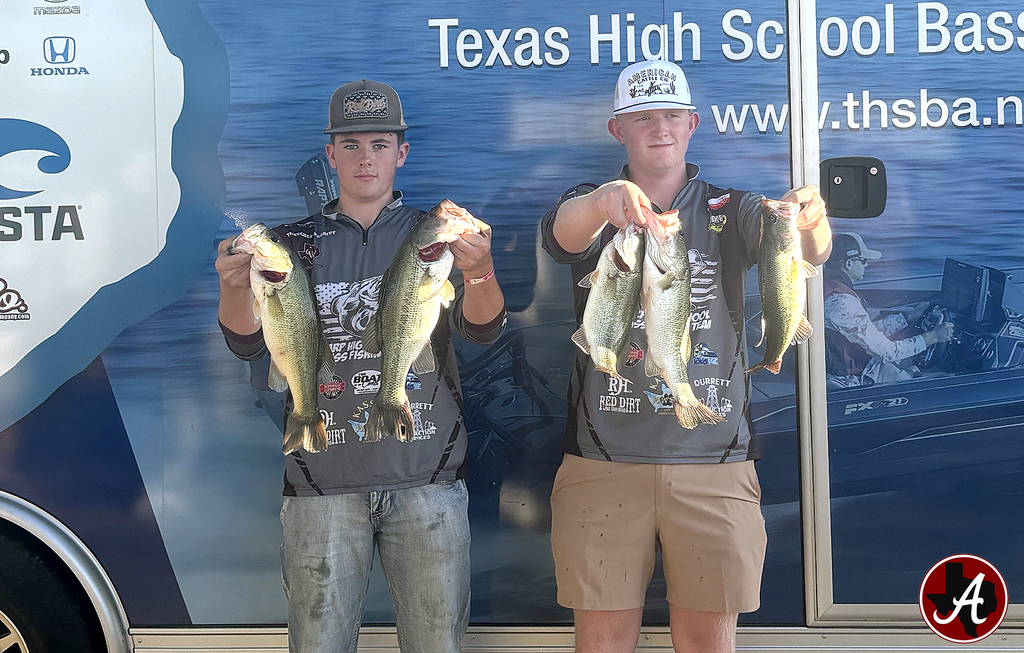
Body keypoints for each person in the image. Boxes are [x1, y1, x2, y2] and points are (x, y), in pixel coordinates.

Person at [539, 59, 832, 653]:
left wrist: (811, 222)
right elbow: (561, 234)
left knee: (708, 642)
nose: (659, 128)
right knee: (601, 641)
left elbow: (811, 253)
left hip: (715, 459)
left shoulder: (732, 208)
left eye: (671, 115)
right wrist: (604, 203)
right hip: (603, 461)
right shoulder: (594, 206)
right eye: (642, 117)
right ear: (618, 129)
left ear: (693, 123)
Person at [216, 79, 506, 653]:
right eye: (350, 145)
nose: (365, 158)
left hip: (428, 479)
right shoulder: (290, 242)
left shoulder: (435, 235)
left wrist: (480, 270)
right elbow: (247, 345)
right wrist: (231, 289)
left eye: (378, 144)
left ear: (401, 152)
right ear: (331, 155)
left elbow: (482, 330)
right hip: (320, 482)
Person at [823, 231, 953, 387]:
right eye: (863, 260)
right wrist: (933, 337)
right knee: (936, 384)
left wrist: (907, 318)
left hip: (853, 368)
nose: (867, 265)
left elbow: (864, 332)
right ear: (848, 263)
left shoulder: (831, 290)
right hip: (850, 381)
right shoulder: (842, 302)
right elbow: (888, 352)